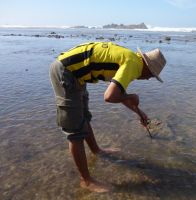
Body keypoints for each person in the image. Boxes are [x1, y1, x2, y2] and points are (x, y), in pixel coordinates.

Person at [49, 41, 166, 193]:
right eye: (151, 76)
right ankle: (86, 181)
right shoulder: (133, 66)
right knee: (75, 131)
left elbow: (118, 93)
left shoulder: (132, 59)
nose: (148, 79)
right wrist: (131, 96)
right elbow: (109, 96)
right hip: (65, 72)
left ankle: (96, 150)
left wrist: (139, 112)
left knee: (84, 116)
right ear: (148, 69)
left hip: (76, 74)